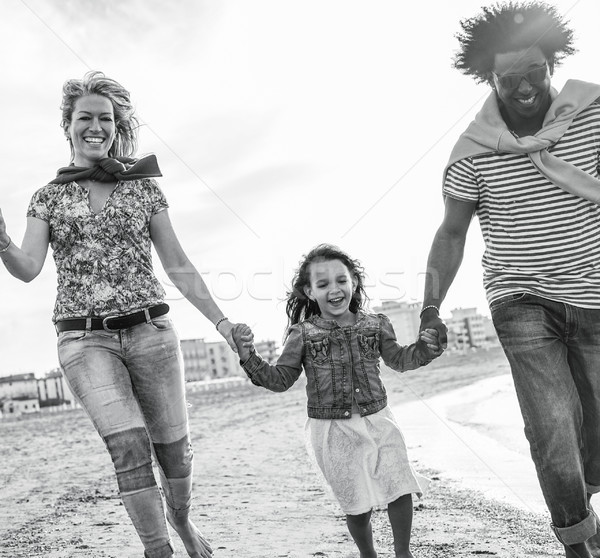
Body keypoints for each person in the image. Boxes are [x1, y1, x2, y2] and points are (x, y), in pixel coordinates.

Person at [0, 71, 241, 558]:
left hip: (151, 330)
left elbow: (177, 263)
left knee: (174, 450)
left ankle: (182, 520)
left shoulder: (143, 188)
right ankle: (159, 549)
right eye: (85, 117)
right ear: (67, 124)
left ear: (117, 125)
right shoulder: (46, 198)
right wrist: (2, 240)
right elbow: (27, 268)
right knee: (129, 450)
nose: (96, 126)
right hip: (84, 342)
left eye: (105, 118)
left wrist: (223, 324)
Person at [418, 3, 600, 557]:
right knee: (549, 418)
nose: (525, 86)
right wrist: (430, 308)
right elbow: (452, 233)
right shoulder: (472, 153)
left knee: (591, 419)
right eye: (509, 77)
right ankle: (576, 538)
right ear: (489, 78)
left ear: (553, 64)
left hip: (594, 290)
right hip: (519, 295)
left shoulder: (592, 116)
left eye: (535, 71)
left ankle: (582, 497)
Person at [231, 244, 442, 558]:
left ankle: (403, 553)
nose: (334, 289)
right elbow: (280, 379)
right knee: (357, 505)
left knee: (399, 484)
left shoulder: (377, 324)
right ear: (308, 291)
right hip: (332, 431)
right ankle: (368, 554)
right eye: (323, 284)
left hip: (379, 419)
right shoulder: (301, 334)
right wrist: (248, 355)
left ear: (354, 282)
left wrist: (426, 350)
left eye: (341, 280)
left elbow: (398, 359)